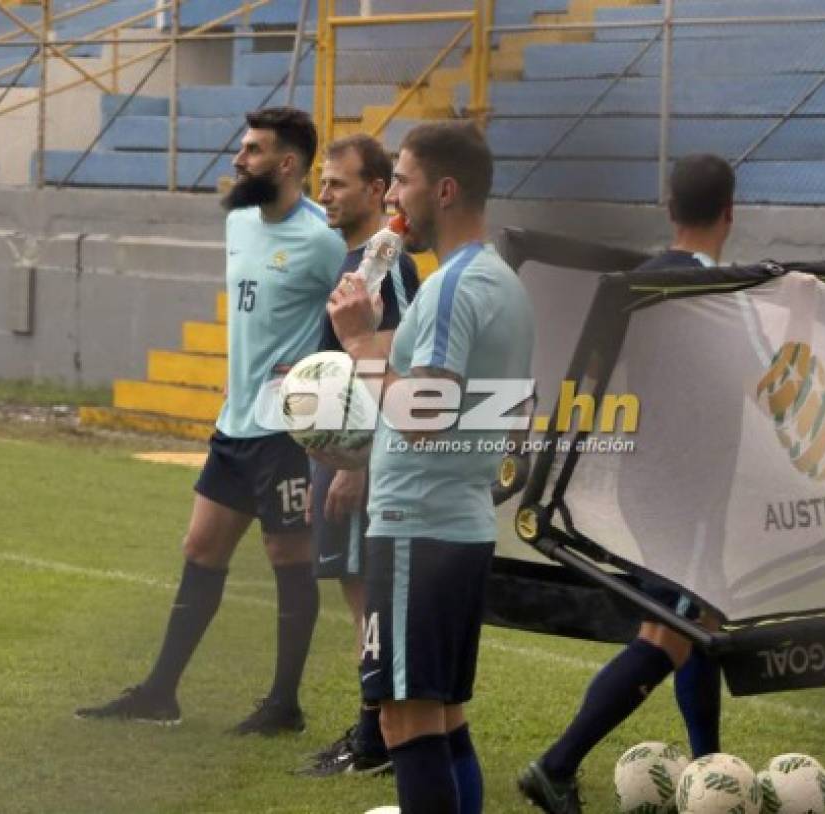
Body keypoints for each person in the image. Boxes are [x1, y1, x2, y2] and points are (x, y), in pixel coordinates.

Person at [75, 107, 347, 735]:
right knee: (201, 547)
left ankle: (284, 705)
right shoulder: (240, 222)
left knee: (287, 555)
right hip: (235, 422)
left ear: (287, 164)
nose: (237, 159)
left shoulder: (322, 240)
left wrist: (316, 371)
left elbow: (357, 320)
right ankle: (159, 693)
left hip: (286, 429)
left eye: (252, 150)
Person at [517, 154, 737, 814]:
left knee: (698, 620)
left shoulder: (636, 282)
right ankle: (556, 764)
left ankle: (708, 769)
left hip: (641, 482)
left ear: (668, 208)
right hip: (684, 491)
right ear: (731, 213)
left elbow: (590, 373)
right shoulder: (721, 292)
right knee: (668, 633)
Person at [327, 121, 535, 814]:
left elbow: (425, 411)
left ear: (444, 191)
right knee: (442, 719)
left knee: (405, 723)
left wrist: (358, 342)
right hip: (459, 522)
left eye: (403, 182)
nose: (393, 199)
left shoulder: (451, 287)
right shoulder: (500, 280)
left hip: (418, 525)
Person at [299, 133, 421, 777]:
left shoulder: (385, 263)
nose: (324, 193)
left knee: (368, 606)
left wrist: (358, 463)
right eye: (322, 182)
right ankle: (377, 732)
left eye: (338, 183)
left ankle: (376, 741)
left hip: (359, 459)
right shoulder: (357, 259)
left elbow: (392, 360)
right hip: (338, 454)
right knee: (359, 600)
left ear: (377, 189)